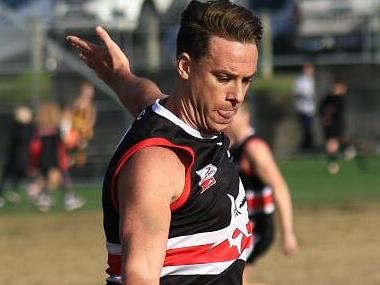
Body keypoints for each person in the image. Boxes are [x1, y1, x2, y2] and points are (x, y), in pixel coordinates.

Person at [67, 1, 262, 284]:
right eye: (224, 78)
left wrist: (119, 75)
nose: (237, 95)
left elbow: (142, 93)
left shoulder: (181, 118)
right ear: (185, 66)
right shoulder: (158, 165)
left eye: (246, 81)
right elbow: (140, 276)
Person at [226, 104, 298, 285]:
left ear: (245, 117)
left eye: (232, 115)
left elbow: (279, 187)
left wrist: (288, 233)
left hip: (256, 227)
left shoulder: (254, 148)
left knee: (232, 273)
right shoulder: (233, 148)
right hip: (240, 226)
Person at [0, 105, 34, 208]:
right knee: (9, 177)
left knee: (13, 176)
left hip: (17, 157)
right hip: (16, 157)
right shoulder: (20, 128)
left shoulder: (22, 127)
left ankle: (14, 192)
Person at [319, 79, 350, 174]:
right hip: (329, 125)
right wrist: (325, 118)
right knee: (331, 143)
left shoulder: (340, 99)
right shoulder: (328, 98)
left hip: (336, 124)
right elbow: (321, 109)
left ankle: (335, 160)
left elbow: (337, 112)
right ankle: (334, 160)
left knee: (335, 142)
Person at [293, 62, 316, 152]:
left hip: (313, 110)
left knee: (312, 130)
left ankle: (309, 146)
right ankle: (305, 147)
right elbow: (297, 93)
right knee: (306, 129)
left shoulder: (315, 80)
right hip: (303, 109)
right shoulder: (300, 80)